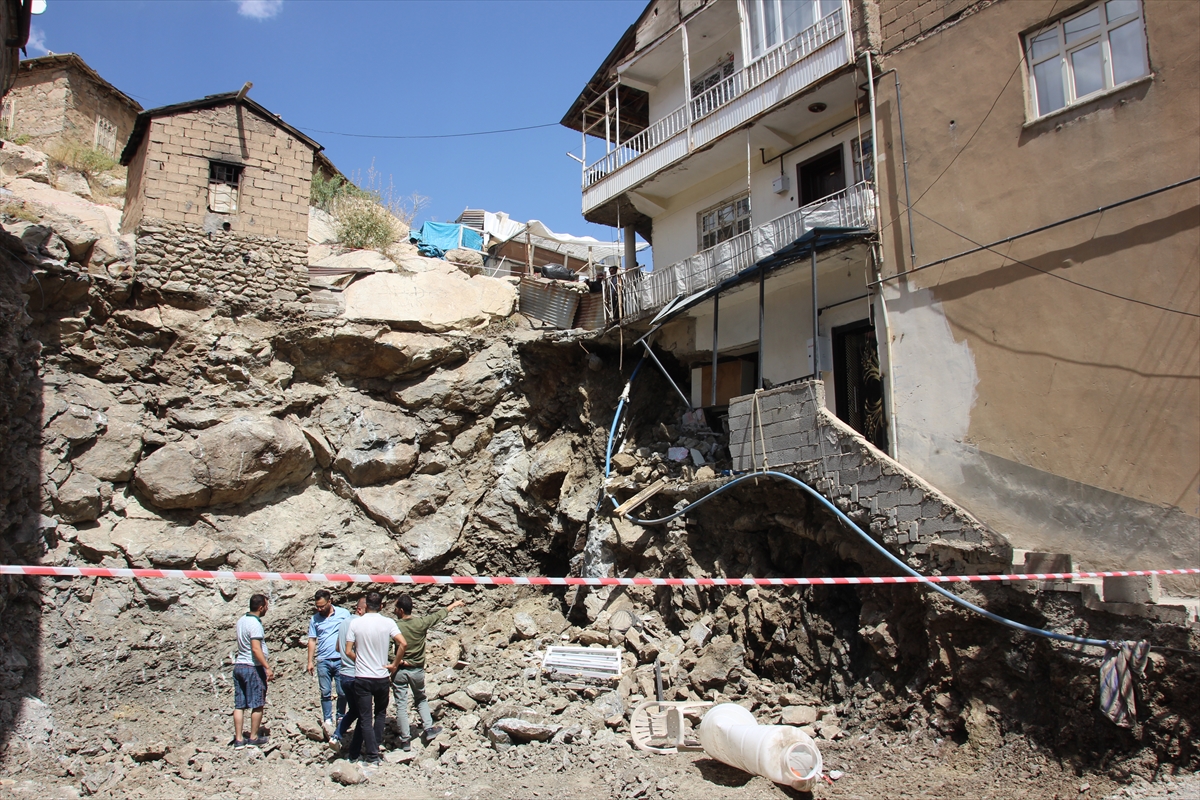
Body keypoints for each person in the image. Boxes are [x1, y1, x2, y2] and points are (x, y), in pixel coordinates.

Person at [392, 594, 465, 750]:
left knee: (401, 704)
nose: (394, 611)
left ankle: (405, 740)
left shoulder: (394, 627)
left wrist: (397, 661)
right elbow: (438, 616)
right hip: (417, 670)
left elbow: (388, 652)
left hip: (399, 671)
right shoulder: (421, 623)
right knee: (421, 698)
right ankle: (428, 728)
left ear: (402, 610)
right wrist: (454, 605)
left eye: (396, 608)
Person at [345, 591, 406, 766]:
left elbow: (348, 650)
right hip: (381, 675)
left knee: (365, 717)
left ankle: (371, 755)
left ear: (365, 606)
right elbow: (403, 643)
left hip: (362, 676)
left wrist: (360, 660)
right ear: (381, 605)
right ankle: (376, 747)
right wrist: (395, 664)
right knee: (380, 713)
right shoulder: (388, 622)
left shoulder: (356, 623)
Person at [232, 593, 275, 749]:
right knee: (257, 703)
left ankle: (238, 739)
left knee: (239, 705)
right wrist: (267, 667)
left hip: (239, 665)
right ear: (261, 607)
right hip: (252, 667)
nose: (267, 609)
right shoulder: (255, 624)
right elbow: (256, 649)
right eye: (266, 606)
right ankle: (253, 737)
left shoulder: (241, 621)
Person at [305, 589, 350, 738]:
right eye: (317, 606)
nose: (319, 609)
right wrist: (310, 661)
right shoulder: (315, 619)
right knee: (325, 691)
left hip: (340, 659)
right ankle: (327, 719)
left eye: (322, 606)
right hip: (323, 660)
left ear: (329, 601)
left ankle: (340, 716)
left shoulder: (344, 614)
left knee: (342, 691)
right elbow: (312, 640)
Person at [329, 596, 366, 755]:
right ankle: (354, 751)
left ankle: (337, 735)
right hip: (357, 674)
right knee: (364, 714)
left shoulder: (344, 623)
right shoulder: (359, 625)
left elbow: (338, 647)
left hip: (343, 674)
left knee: (354, 711)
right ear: (359, 609)